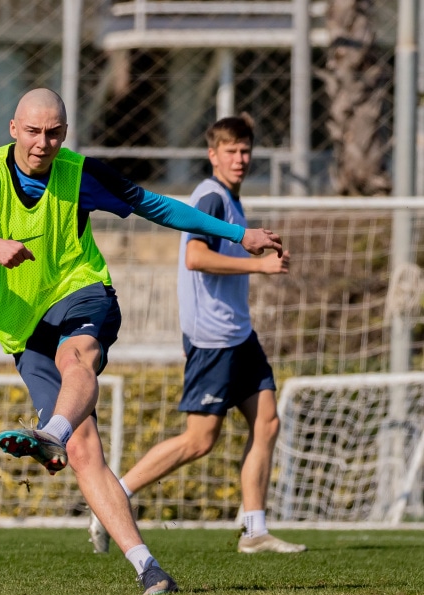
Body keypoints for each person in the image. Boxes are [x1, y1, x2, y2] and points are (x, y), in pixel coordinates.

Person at [0, 89, 284, 595]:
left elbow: (156, 207)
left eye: (53, 133)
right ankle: (148, 568)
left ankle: (50, 433)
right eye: (32, 131)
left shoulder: (80, 173)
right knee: (85, 449)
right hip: (24, 328)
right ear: (12, 128)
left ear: (64, 134)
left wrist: (236, 233)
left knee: (79, 357)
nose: (42, 143)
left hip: (83, 292)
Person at [108, 115, 306, 554]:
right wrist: (260, 264)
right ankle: (114, 496)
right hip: (212, 338)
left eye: (245, 150)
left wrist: (263, 256)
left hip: (239, 333)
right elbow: (195, 257)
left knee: (267, 421)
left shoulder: (232, 202)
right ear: (212, 154)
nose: (240, 158)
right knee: (200, 441)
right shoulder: (210, 198)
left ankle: (254, 531)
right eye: (231, 151)